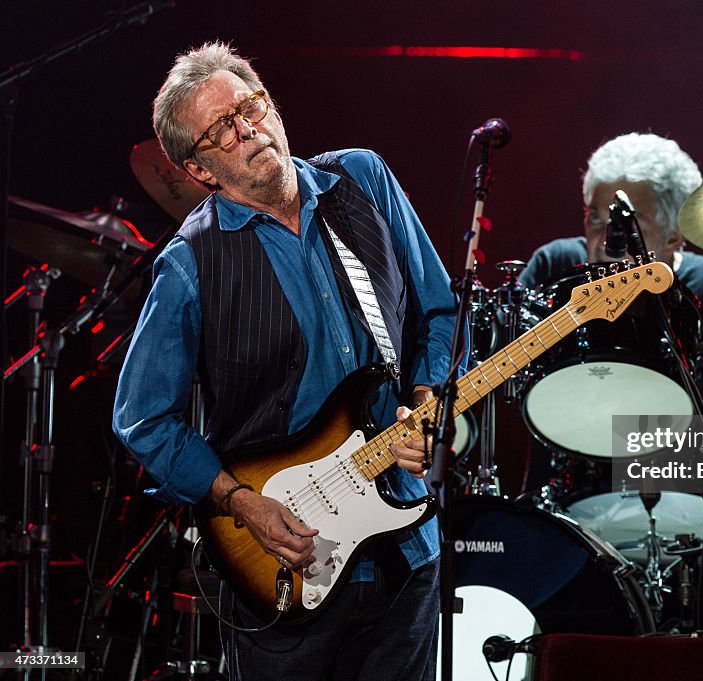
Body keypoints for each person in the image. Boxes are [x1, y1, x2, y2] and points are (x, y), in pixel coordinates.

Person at [113, 42, 457, 681]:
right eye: (221, 128)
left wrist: (427, 395)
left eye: (251, 105)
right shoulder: (190, 264)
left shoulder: (363, 180)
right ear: (199, 170)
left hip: (406, 541)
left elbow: (439, 311)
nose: (249, 128)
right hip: (285, 560)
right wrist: (239, 502)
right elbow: (143, 419)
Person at [519, 132, 703, 521]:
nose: (606, 239)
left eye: (628, 222)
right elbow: (483, 355)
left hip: (692, 516)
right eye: (595, 217)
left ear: (674, 234)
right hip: (566, 517)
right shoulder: (554, 267)